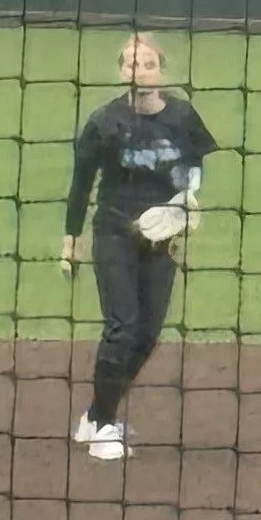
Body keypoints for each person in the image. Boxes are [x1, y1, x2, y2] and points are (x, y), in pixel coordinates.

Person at [60, 33, 217, 463]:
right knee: (122, 326)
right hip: (114, 234)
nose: (139, 71)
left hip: (162, 240)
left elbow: (194, 164)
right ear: (120, 71)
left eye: (146, 64)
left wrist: (187, 198)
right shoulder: (104, 123)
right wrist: (69, 243)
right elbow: (81, 186)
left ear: (159, 70)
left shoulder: (182, 117)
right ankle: (104, 429)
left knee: (147, 333)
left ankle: (95, 415)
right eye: (131, 64)